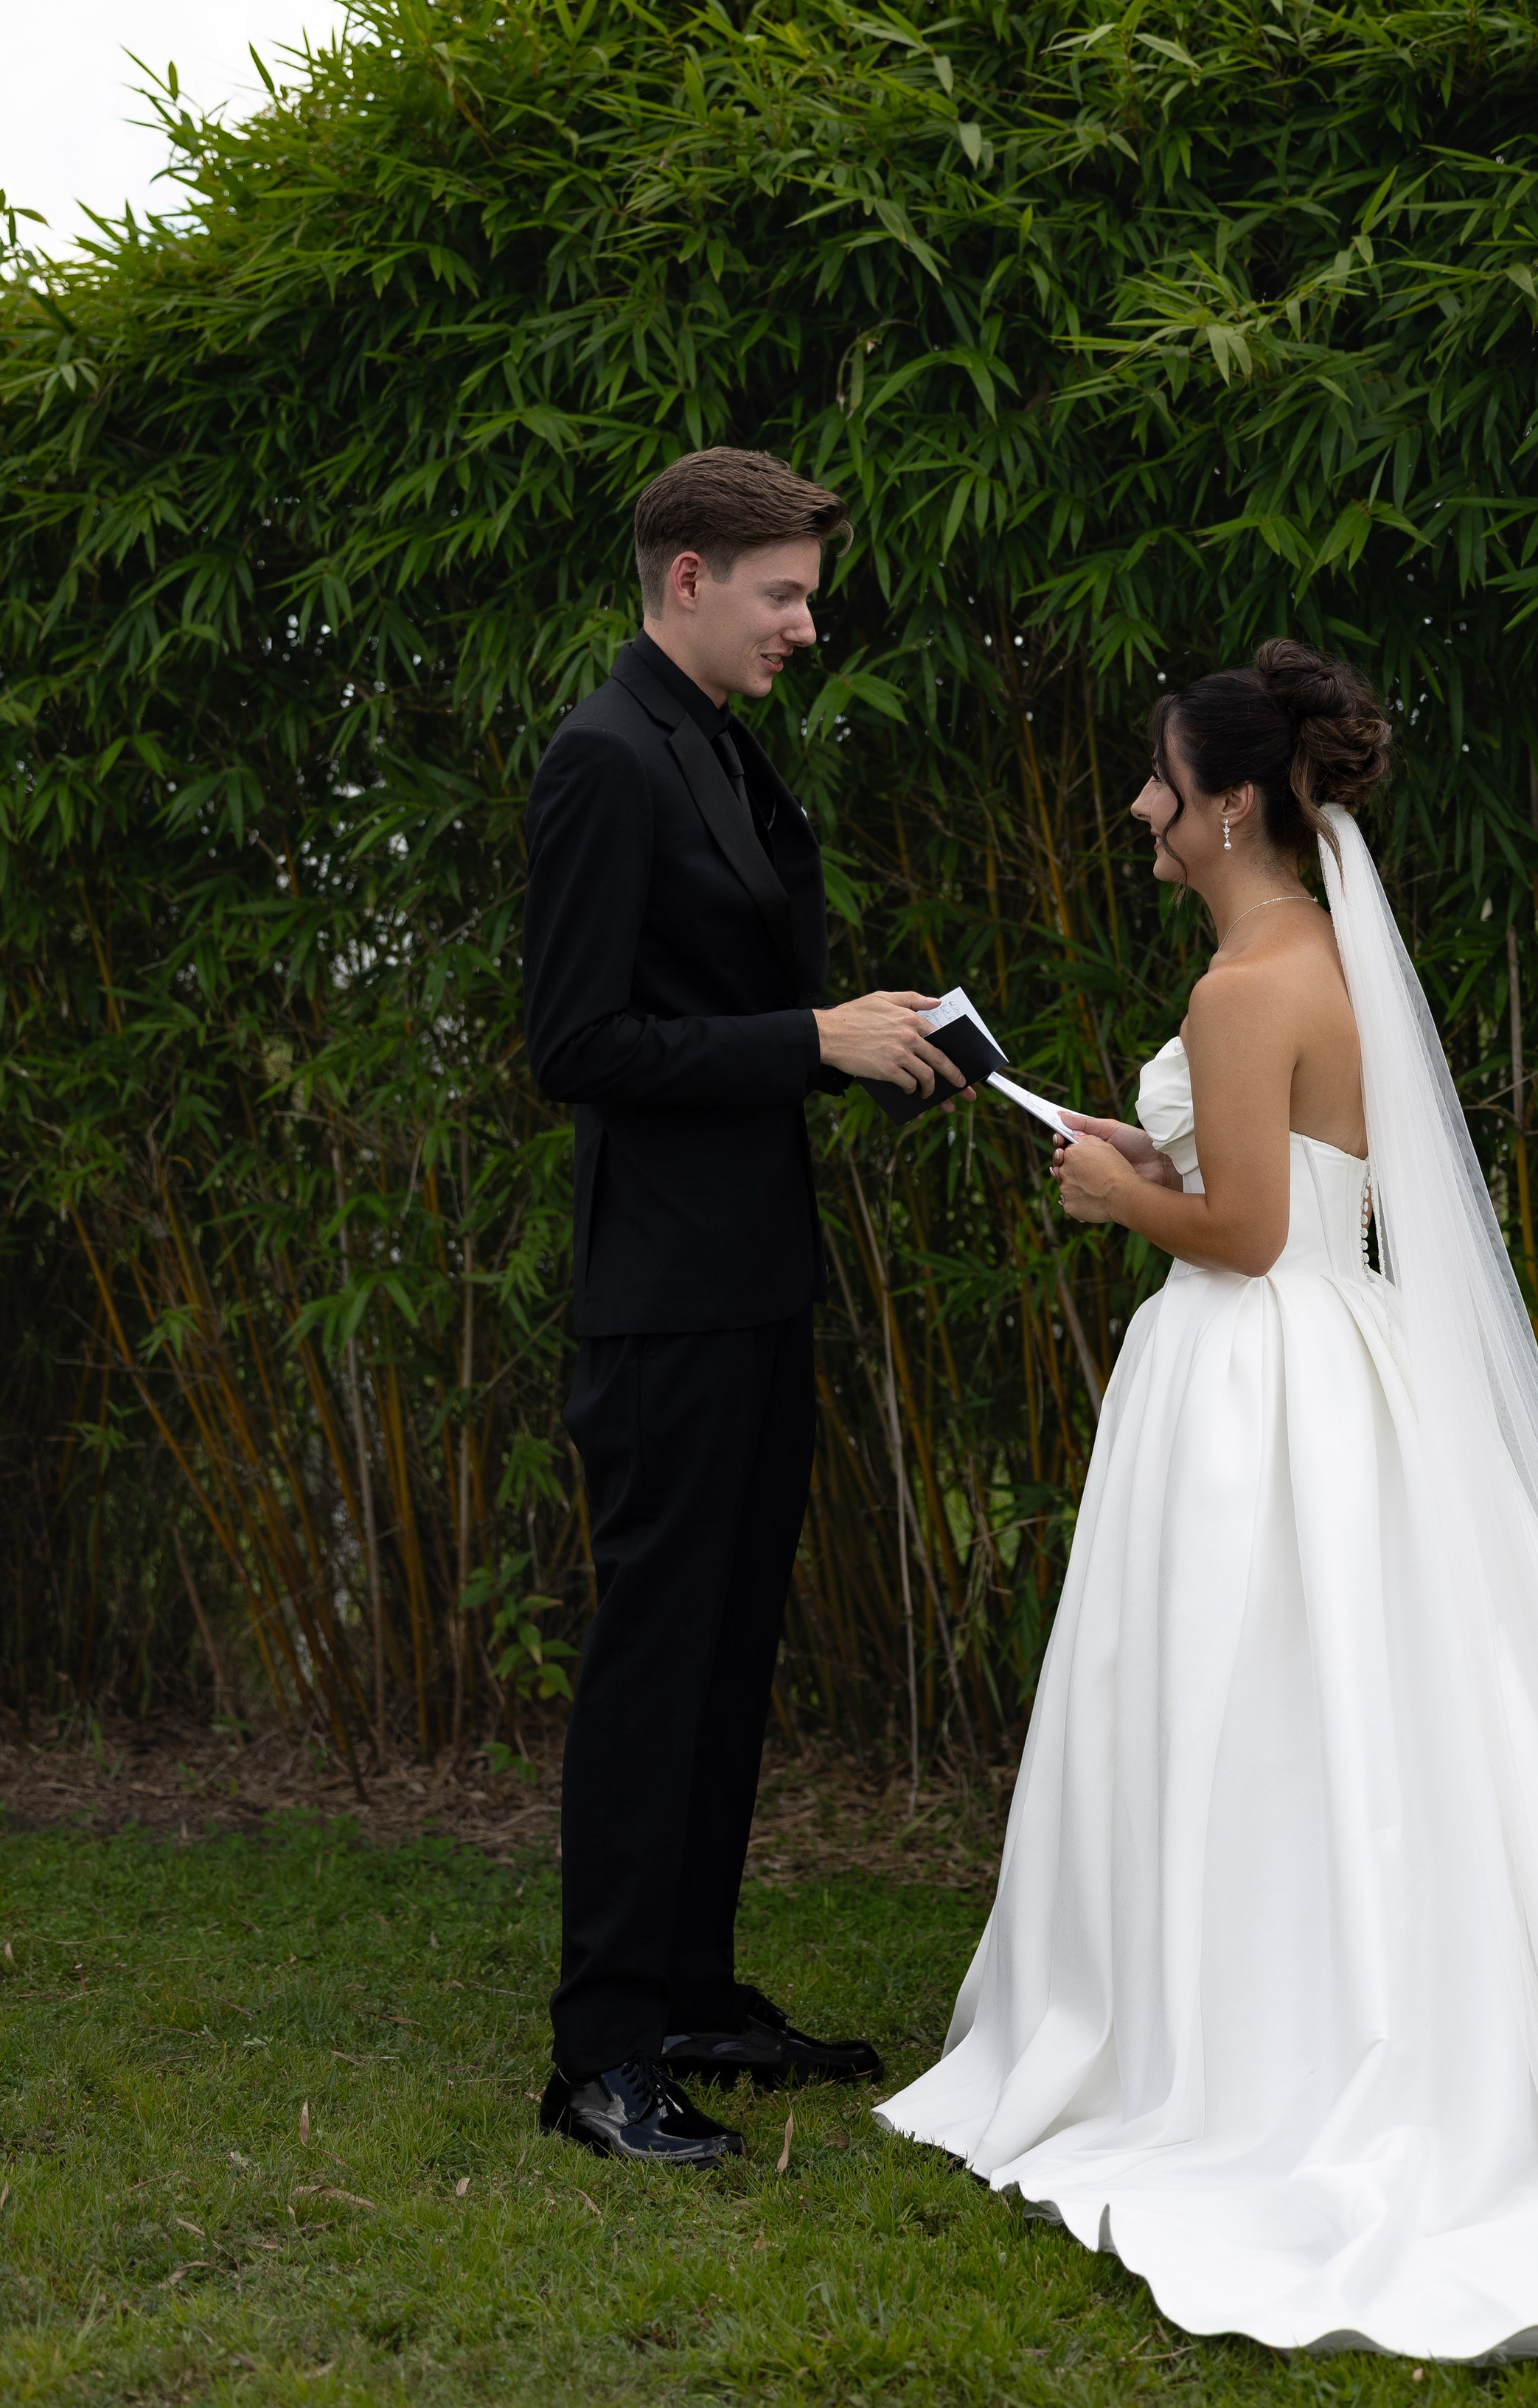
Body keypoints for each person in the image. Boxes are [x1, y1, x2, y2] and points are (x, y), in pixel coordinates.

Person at [880, 639, 1538, 2398]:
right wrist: (1157, 1162)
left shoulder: (1234, 989)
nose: (1136, 808)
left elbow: (1248, 1234)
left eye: (1156, 783)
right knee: (1350, 1702)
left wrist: (1124, 1199)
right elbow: (1299, 1191)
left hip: (1257, 1367)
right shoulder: (1315, 957)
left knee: (1243, 1706)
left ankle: (1245, 2041)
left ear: (1231, 802)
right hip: (1345, 1366)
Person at [525, 445, 968, 2166]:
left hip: (750, 1276)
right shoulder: (601, 757)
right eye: (783, 593)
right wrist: (807, 1043)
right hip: (659, 1300)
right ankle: (599, 2058)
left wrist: (860, 1028)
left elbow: (726, 990)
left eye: (807, 594)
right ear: (688, 575)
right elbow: (576, 1047)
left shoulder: (715, 744)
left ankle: (691, 1991)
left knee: (725, 1659)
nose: (808, 623)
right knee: (654, 1668)